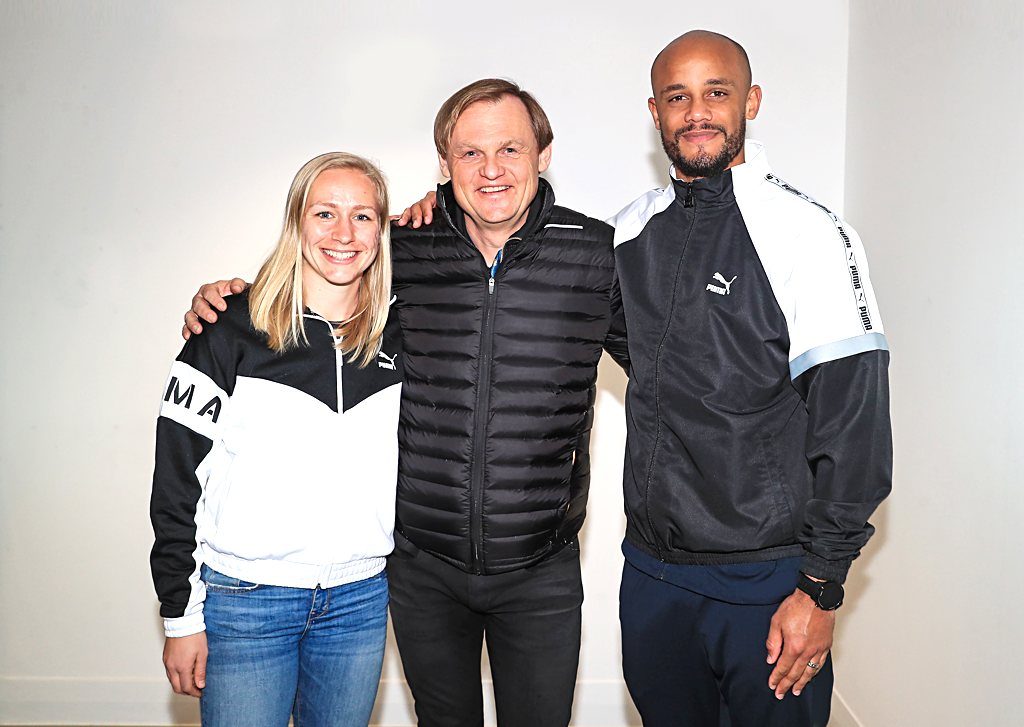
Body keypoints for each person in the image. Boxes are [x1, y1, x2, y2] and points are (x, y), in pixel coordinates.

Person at [181, 79, 629, 727]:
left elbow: (662, 370)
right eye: (470, 154)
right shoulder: (402, 247)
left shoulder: (594, 254)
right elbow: (319, 275)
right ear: (445, 165)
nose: (492, 169)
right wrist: (229, 301)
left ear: (544, 154)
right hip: (423, 569)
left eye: (510, 148)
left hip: (540, 569)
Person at [608, 30, 892, 726]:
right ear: (655, 111)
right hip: (652, 575)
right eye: (678, 96)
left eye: (716, 92)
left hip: (769, 580)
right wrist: (434, 213)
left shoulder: (809, 234)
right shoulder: (627, 234)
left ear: (750, 101)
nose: (696, 111)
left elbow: (855, 428)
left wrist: (820, 588)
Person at [151, 152, 403, 727]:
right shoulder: (227, 326)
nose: (344, 234)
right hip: (245, 602)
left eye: (363, 216)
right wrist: (180, 617)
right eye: (324, 214)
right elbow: (175, 478)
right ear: (296, 223)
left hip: (359, 603)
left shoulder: (403, 335)